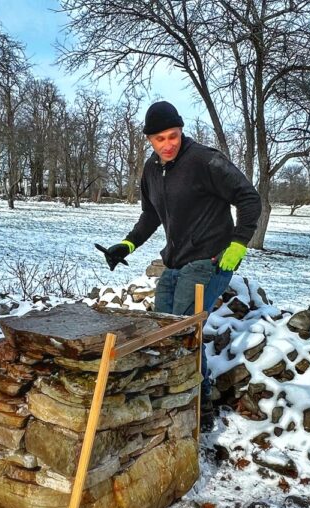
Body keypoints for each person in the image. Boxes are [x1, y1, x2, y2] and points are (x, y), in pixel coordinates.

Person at [99, 100, 261, 407]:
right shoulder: (150, 170)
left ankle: (200, 399)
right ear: (149, 139)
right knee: (162, 329)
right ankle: (170, 396)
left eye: (172, 136)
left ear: (181, 130)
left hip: (210, 259)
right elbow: (151, 215)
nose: (168, 144)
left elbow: (249, 198)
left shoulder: (205, 161)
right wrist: (127, 244)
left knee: (183, 330)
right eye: (159, 139)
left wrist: (239, 243)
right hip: (174, 262)